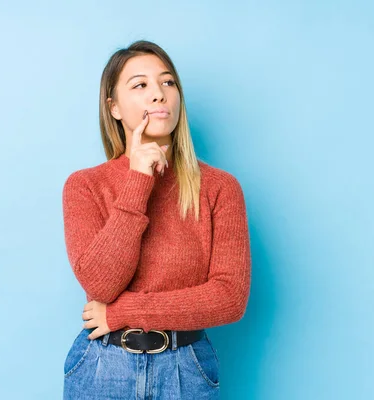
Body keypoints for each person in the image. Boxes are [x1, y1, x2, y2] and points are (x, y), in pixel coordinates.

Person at [61, 39, 251, 399]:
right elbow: (101, 285)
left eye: (168, 82)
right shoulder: (85, 186)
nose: (159, 94)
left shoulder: (220, 188)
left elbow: (229, 298)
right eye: (141, 85)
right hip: (103, 367)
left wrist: (122, 312)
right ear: (113, 107)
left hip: (187, 368)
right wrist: (138, 180)